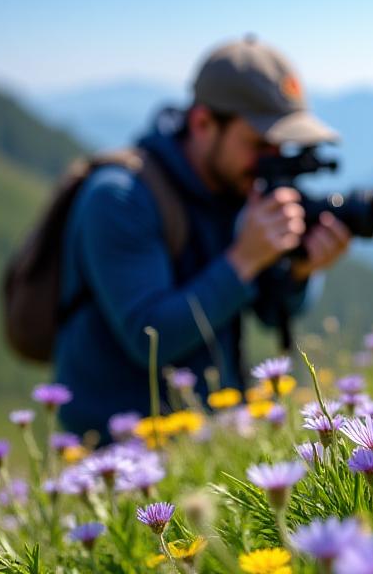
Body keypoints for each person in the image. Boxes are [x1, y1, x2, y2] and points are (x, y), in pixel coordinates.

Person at [54, 37, 351, 439]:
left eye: (283, 144)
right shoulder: (119, 198)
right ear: (202, 124)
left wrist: (299, 271)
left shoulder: (235, 185)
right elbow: (149, 337)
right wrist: (244, 259)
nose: (273, 158)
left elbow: (268, 308)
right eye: (260, 143)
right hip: (118, 453)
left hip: (211, 435)